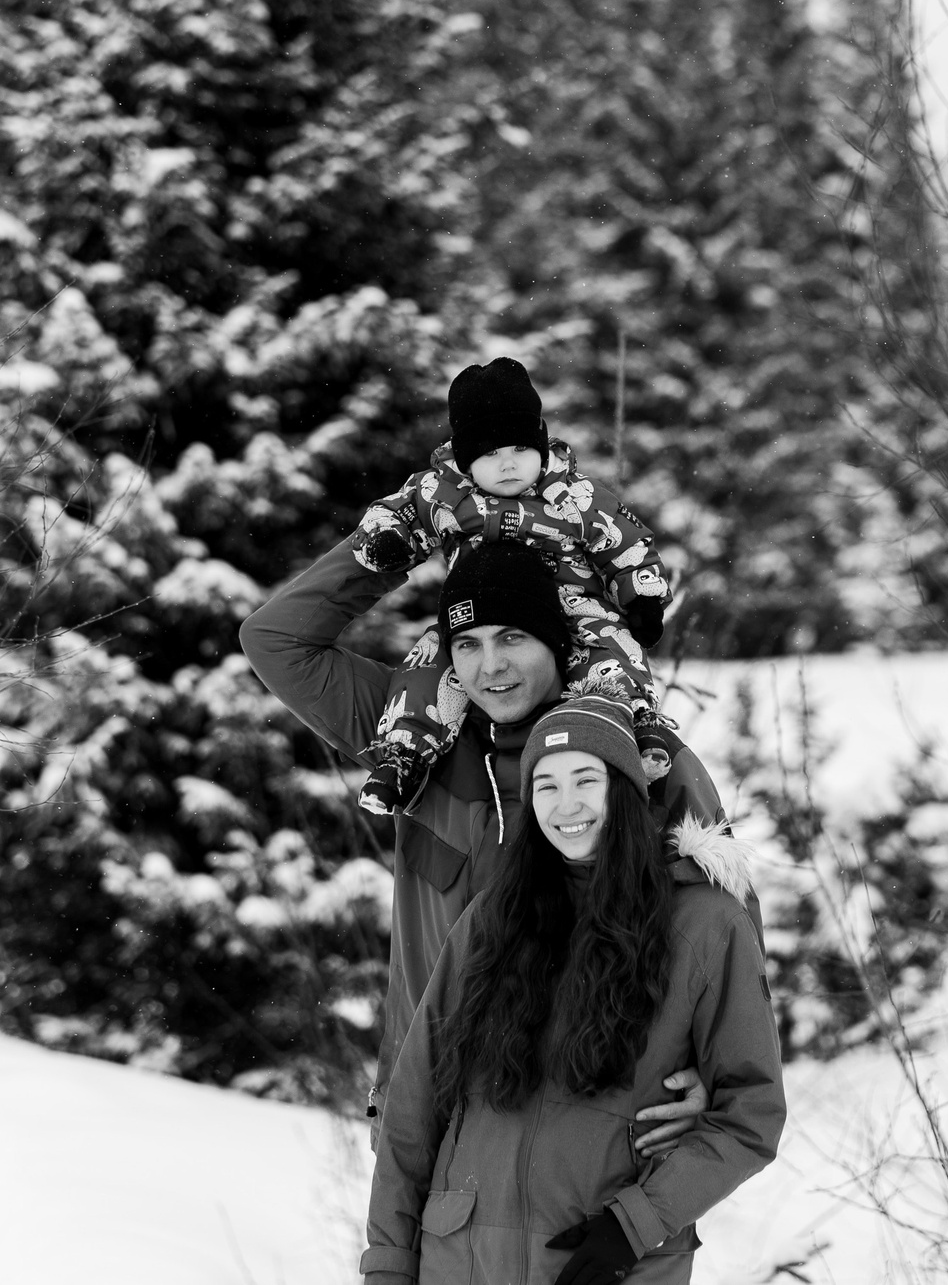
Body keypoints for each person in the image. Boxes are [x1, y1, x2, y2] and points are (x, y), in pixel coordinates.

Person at [239, 530, 731, 1146]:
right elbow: (273, 639)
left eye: (512, 638)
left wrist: (716, 1073)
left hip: (601, 1125)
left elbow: (725, 926)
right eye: (466, 644)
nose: (489, 667)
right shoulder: (413, 739)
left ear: (557, 641)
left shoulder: (642, 758)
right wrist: (408, 526)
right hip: (434, 1118)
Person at [362, 696, 783, 1285]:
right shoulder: (492, 918)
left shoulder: (706, 925)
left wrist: (637, 1222)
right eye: (546, 786)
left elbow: (752, 1111)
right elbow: (415, 1104)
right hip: (458, 1261)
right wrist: (386, 1265)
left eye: (587, 780)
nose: (567, 806)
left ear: (626, 792)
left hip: (611, 1266)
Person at [342, 357, 677, 813]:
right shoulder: (442, 492)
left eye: (520, 449)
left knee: (610, 647)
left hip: (574, 602)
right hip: (477, 610)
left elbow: (626, 543)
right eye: (489, 453)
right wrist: (385, 541)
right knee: (432, 663)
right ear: (465, 458)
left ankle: (636, 725)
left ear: (541, 444)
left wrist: (643, 596)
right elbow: (392, 512)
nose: (507, 465)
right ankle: (404, 754)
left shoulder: (575, 494)